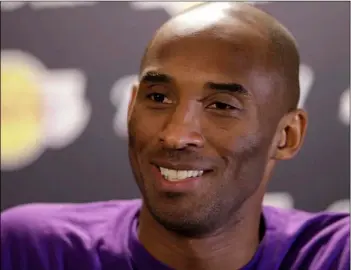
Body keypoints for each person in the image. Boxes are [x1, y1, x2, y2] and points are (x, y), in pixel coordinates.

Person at [1, 3, 349, 270]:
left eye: (222, 105)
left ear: (286, 136)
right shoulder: (34, 251)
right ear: (131, 107)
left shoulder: (334, 255)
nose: (176, 135)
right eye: (158, 98)